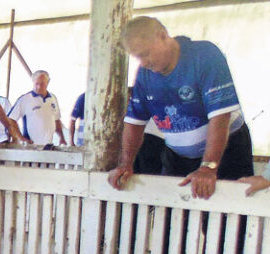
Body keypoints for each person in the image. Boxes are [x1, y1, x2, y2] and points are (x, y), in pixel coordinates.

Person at [108, 16, 253, 198]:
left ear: (162, 36)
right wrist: (125, 163)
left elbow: (220, 116)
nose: (144, 63)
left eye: (145, 53)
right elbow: (134, 122)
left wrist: (208, 166)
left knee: (228, 216)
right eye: (138, 57)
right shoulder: (145, 74)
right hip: (177, 156)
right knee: (174, 217)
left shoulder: (204, 56)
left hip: (227, 151)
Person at [8, 70, 67, 146]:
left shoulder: (53, 98)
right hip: (31, 146)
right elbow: (11, 119)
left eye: (42, 84)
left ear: (48, 83)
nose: (39, 87)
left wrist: (62, 138)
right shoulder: (25, 99)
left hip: (48, 145)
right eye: (36, 84)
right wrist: (21, 138)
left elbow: (56, 120)